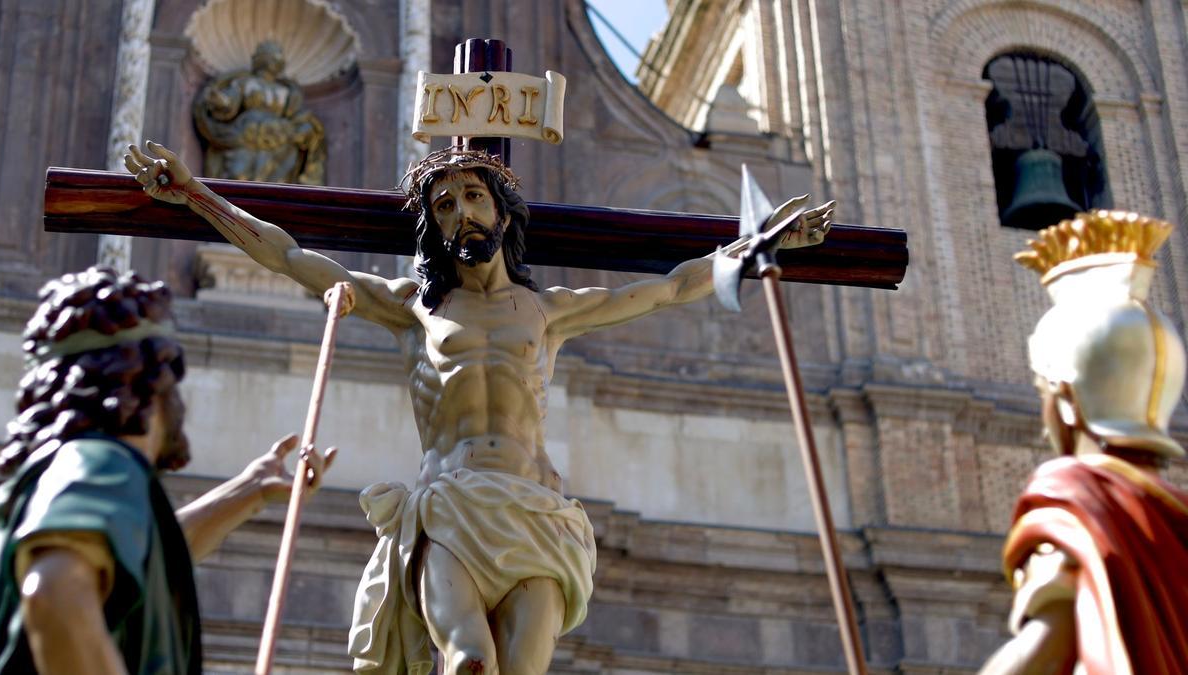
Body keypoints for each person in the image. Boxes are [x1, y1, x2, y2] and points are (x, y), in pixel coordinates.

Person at [124, 141, 832, 675]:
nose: (462, 211)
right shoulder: (412, 309)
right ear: (433, 227)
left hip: (534, 514)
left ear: (500, 208)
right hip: (452, 509)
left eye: (472, 195)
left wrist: (757, 244)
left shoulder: (547, 312)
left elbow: (672, 288)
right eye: (444, 204)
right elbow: (289, 255)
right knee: (466, 661)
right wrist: (195, 196)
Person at [0, 267, 338, 674]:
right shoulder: (102, 461)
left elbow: (150, 561)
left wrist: (250, 490)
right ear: (148, 380)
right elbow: (54, 594)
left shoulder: (57, 483)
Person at [980, 210, 1188, 674]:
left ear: (1068, 399)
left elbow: (1044, 647)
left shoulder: (1081, 499)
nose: (1043, 417)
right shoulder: (1176, 518)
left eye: (1043, 393)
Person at [193, 40, 326, 184]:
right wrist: (222, 101)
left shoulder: (287, 91)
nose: (270, 61)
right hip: (246, 134)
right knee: (236, 175)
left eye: (274, 57)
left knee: (276, 182)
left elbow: (296, 116)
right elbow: (231, 100)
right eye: (267, 56)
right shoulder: (245, 82)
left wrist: (304, 127)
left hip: (278, 138)